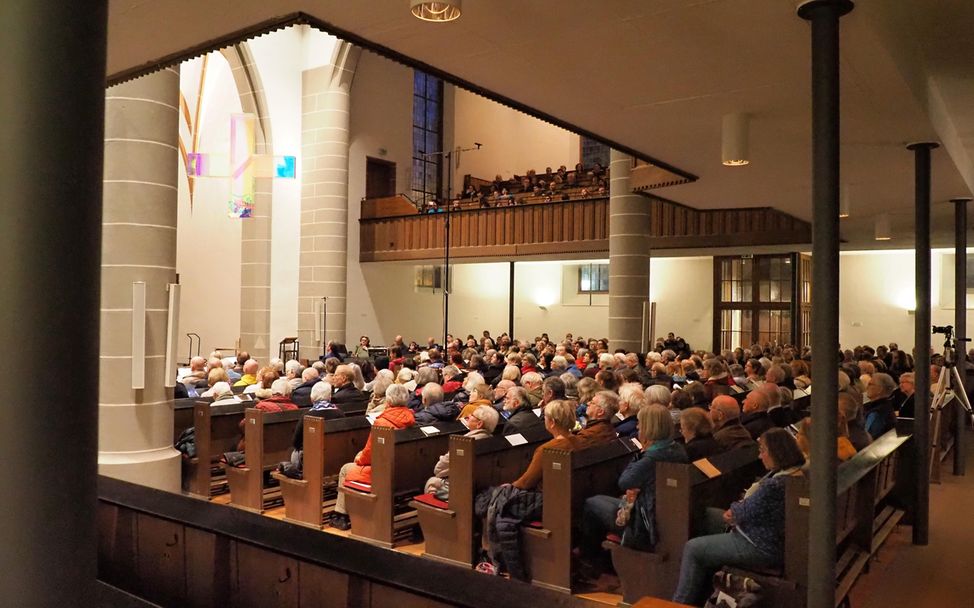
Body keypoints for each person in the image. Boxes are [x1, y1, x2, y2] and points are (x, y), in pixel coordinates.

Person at [672, 428, 806, 605]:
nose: (760, 456)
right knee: (705, 515)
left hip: (760, 544)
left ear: (777, 452)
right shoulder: (790, 472)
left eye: (763, 450)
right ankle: (703, 587)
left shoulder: (775, 485)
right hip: (765, 532)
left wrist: (735, 510)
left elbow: (741, 513)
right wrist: (736, 510)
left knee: (693, 548)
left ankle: (679, 603)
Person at [579, 405, 688, 576]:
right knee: (599, 499)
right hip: (659, 509)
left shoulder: (652, 457)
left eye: (640, 424)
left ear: (650, 428)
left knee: (591, 503)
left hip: (644, 521)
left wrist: (641, 452)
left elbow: (624, 481)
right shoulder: (676, 448)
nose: (637, 427)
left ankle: (591, 560)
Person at [330, 384, 416, 531]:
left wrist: (359, 459)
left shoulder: (382, 423)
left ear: (388, 401)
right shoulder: (411, 419)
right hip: (404, 471)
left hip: (382, 473)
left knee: (346, 469)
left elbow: (369, 453)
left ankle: (341, 515)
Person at [424, 405, 499, 497]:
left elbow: (438, 470)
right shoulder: (492, 441)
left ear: (479, 424)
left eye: (472, 415)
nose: (468, 417)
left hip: (460, 490)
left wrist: (442, 458)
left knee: (432, 482)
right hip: (481, 487)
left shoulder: (464, 443)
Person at [863, 372, 897, 438]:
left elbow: (868, 436)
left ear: (880, 389)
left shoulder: (877, 412)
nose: (867, 387)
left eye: (870, 384)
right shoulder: (886, 406)